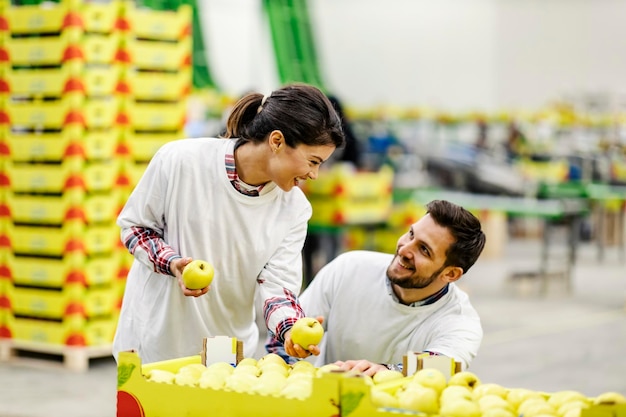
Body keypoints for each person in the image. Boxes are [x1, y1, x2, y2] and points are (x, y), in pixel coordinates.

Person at [112, 83, 345, 364]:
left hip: (225, 354)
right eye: (313, 161)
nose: (315, 174)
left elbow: (277, 287)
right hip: (153, 344)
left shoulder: (294, 209)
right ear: (277, 141)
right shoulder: (181, 161)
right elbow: (136, 227)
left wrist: (289, 330)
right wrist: (173, 263)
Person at [267, 199, 486, 375]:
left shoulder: (460, 322)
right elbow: (280, 343)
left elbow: (440, 366)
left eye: (424, 250)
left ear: (451, 273)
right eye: (411, 234)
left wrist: (385, 372)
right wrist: (289, 352)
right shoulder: (349, 269)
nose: (405, 250)